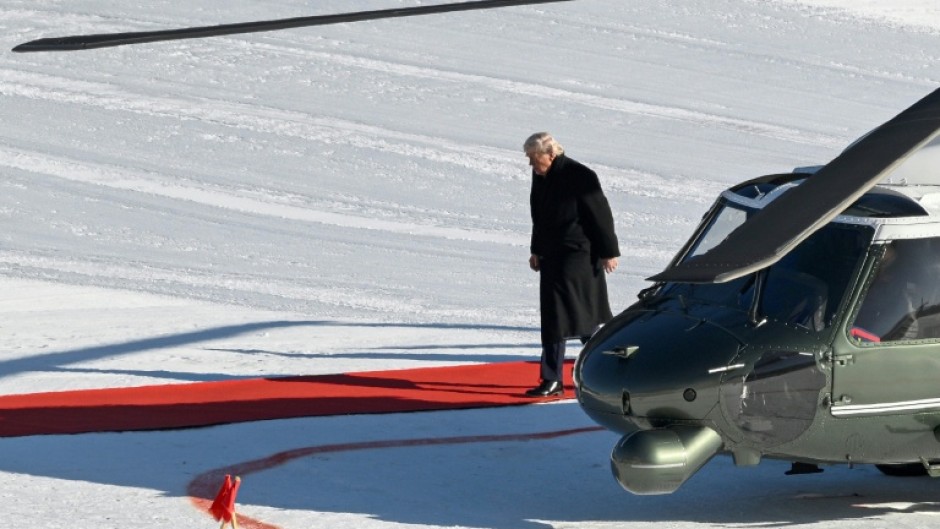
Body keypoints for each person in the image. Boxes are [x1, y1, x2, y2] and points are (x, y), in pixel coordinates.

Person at [524, 132, 620, 397]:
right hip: (552, 255)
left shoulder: (580, 175)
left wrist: (608, 252)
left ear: (550, 154)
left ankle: (609, 368)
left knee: (582, 318)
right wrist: (536, 249)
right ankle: (553, 378)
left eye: (534, 158)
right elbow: (539, 216)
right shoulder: (542, 176)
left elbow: (600, 215)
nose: (532, 165)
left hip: (579, 255)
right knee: (555, 318)